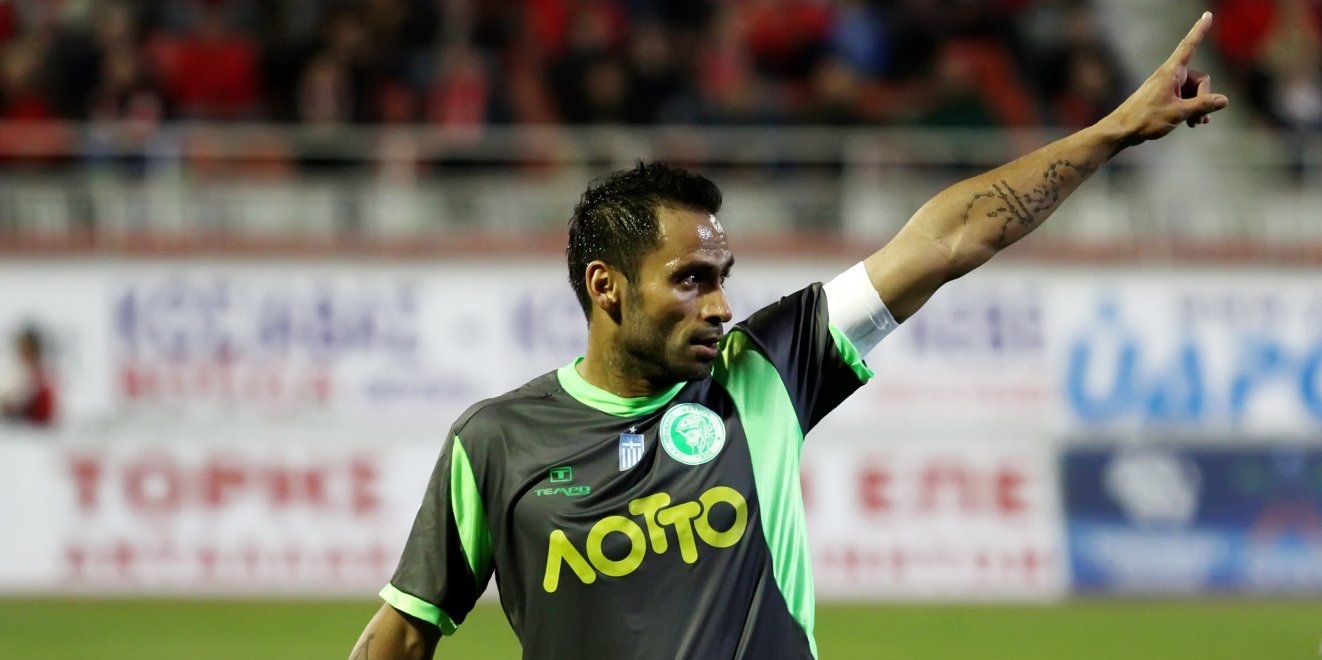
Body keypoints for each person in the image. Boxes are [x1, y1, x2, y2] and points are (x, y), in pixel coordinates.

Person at [350, 13, 1229, 660]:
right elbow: (402, 632)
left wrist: (1113, 131)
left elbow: (950, 238)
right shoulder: (496, 442)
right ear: (605, 287)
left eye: (722, 278)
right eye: (690, 280)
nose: (720, 306)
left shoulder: (764, 369)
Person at [0, 325, 56, 427]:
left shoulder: (40, 376)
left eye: (26, 349)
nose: (22, 353)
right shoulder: (19, 371)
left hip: (33, 428)